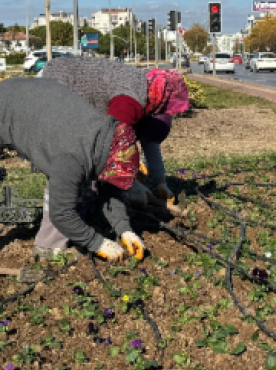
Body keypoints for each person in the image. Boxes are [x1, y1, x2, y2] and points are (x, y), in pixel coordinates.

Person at [0, 77, 146, 276]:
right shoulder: (73, 157)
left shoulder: (109, 141)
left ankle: (49, 250)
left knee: (72, 187)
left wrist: (124, 228)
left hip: (38, 112)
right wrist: (98, 243)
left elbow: (109, 186)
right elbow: (61, 212)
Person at [34, 58, 190, 258]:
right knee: (69, 171)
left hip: (66, 90)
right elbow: (109, 149)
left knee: (88, 179)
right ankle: (50, 247)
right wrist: (130, 183)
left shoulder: (146, 99)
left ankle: (79, 220)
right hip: (57, 89)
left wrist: (160, 183)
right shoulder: (129, 103)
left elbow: (147, 148)